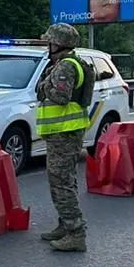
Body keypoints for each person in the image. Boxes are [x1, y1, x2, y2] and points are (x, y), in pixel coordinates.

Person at [35, 22, 95, 253]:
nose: (47, 46)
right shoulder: (66, 63)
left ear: (58, 43)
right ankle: (65, 224)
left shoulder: (66, 66)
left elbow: (59, 96)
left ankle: (75, 233)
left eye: (49, 42)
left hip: (64, 133)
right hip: (65, 133)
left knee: (61, 183)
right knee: (65, 180)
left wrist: (44, 85)